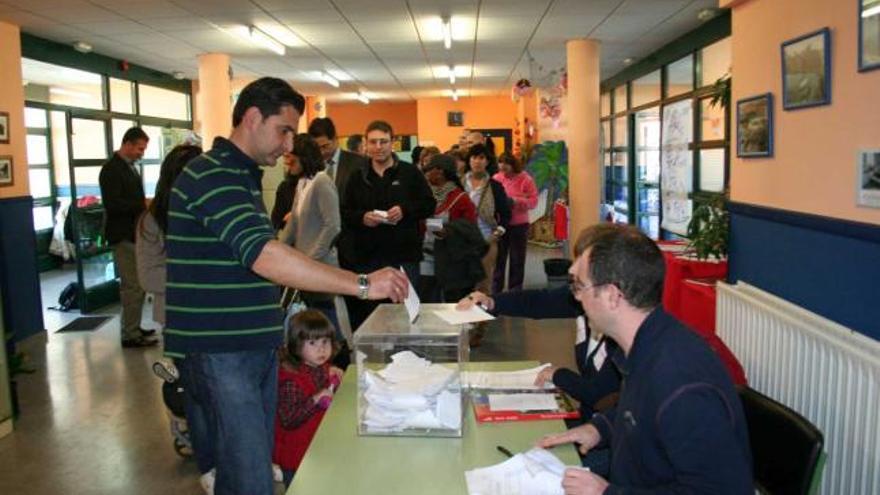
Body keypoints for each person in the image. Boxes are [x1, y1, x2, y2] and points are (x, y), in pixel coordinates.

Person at [165, 77, 408, 495]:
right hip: (223, 351)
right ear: (253, 118)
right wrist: (363, 284)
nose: (290, 144)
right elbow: (265, 255)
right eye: (284, 130)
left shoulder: (241, 176)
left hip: (250, 348)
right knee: (250, 476)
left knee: (251, 466)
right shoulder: (212, 174)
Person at [537, 224, 752, 495]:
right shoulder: (648, 342)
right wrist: (599, 429)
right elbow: (642, 412)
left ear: (613, 296)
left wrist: (606, 493)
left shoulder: (680, 380)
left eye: (579, 286)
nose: (576, 298)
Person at [134, 144, 218, 492]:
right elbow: (148, 276)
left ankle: (217, 450)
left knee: (219, 391)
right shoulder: (152, 220)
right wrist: (197, 272)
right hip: (179, 319)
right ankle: (200, 451)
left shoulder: (213, 209)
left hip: (218, 316)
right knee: (189, 390)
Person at [338, 120, 435, 332]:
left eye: (383, 141)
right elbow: (344, 212)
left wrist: (405, 210)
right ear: (365, 144)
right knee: (369, 314)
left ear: (393, 143)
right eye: (373, 142)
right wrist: (362, 217)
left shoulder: (410, 173)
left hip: (404, 256)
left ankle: (407, 354)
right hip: (367, 258)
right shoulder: (357, 176)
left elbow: (429, 204)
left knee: (406, 313)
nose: (378, 147)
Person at [99, 126, 156, 348]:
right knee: (132, 286)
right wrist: (142, 205)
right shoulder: (111, 170)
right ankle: (130, 334)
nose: (142, 153)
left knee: (138, 285)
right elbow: (113, 205)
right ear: (128, 144)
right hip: (122, 236)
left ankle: (134, 326)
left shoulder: (129, 167)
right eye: (140, 149)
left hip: (133, 235)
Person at [273, 309, 343, 487]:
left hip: (315, 447)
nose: (321, 349)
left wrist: (331, 371)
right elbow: (289, 419)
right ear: (296, 345)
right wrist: (314, 400)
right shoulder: (290, 380)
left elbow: (321, 377)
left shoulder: (318, 365)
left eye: (325, 341)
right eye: (312, 343)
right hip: (296, 454)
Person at [279, 134, 341, 329]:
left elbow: (332, 225)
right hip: (304, 266)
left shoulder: (322, 182)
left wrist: (310, 259)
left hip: (320, 265)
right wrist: (277, 250)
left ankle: (338, 357)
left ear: (304, 157)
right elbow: (294, 223)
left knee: (326, 321)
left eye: (292, 159)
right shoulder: (302, 183)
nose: (288, 163)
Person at [419, 154, 478, 303]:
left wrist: (448, 232)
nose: (426, 175)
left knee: (454, 304)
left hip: (452, 262)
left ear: (440, 172)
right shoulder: (424, 196)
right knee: (428, 302)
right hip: (427, 258)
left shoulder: (461, 199)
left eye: (429, 170)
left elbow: (470, 230)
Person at [492, 152, 538, 293]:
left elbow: (533, 202)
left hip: (519, 225)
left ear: (513, 165)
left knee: (517, 260)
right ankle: (496, 291)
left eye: (506, 163)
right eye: (500, 162)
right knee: (498, 259)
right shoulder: (496, 178)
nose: (503, 166)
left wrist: (516, 200)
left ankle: (515, 291)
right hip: (500, 225)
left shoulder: (526, 179)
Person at [308, 117, 366, 203]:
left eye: (325, 146)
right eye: (317, 148)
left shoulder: (358, 163)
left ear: (335, 138)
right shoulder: (311, 166)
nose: (322, 152)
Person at [270, 152, 302, 232]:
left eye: (289, 157)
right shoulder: (284, 186)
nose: (286, 162)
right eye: (285, 157)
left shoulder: (317, 182)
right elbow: (275, 221)